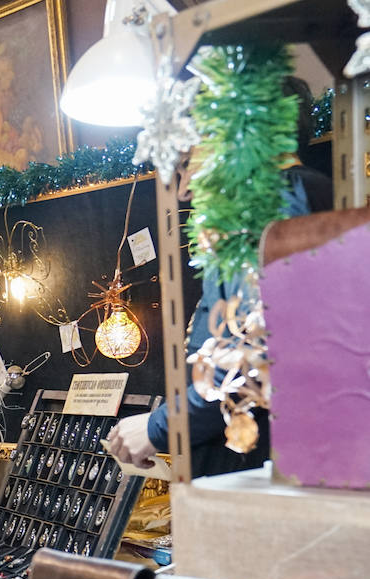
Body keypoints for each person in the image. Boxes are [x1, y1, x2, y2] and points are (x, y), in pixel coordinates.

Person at [108, 77, 332, 477]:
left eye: (184, 163)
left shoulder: (271, 207)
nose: (183, 191)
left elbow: (258, 361)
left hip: (264, 477)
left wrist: (158, 428)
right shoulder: (297, 198)